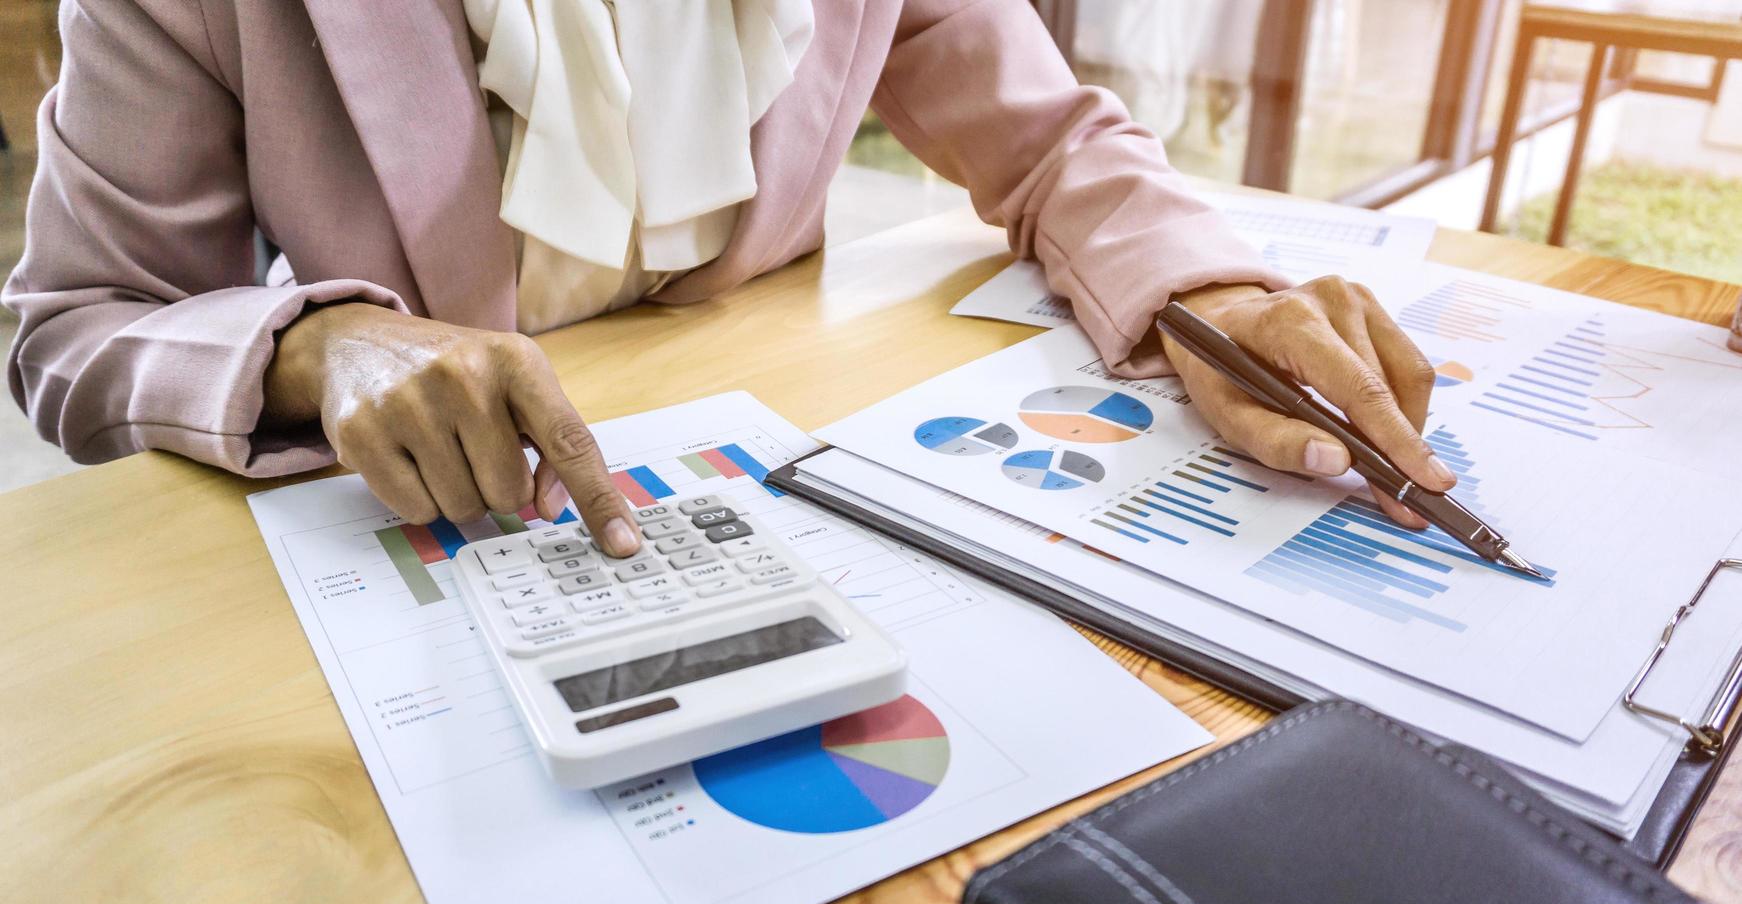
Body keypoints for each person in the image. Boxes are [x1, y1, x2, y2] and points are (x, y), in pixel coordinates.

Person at [4, 0, 1454, 559]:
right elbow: (73, 325)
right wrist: (317, 352)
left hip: (764, 479)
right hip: (395, 548)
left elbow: (1054, 139)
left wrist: (1208, 291)